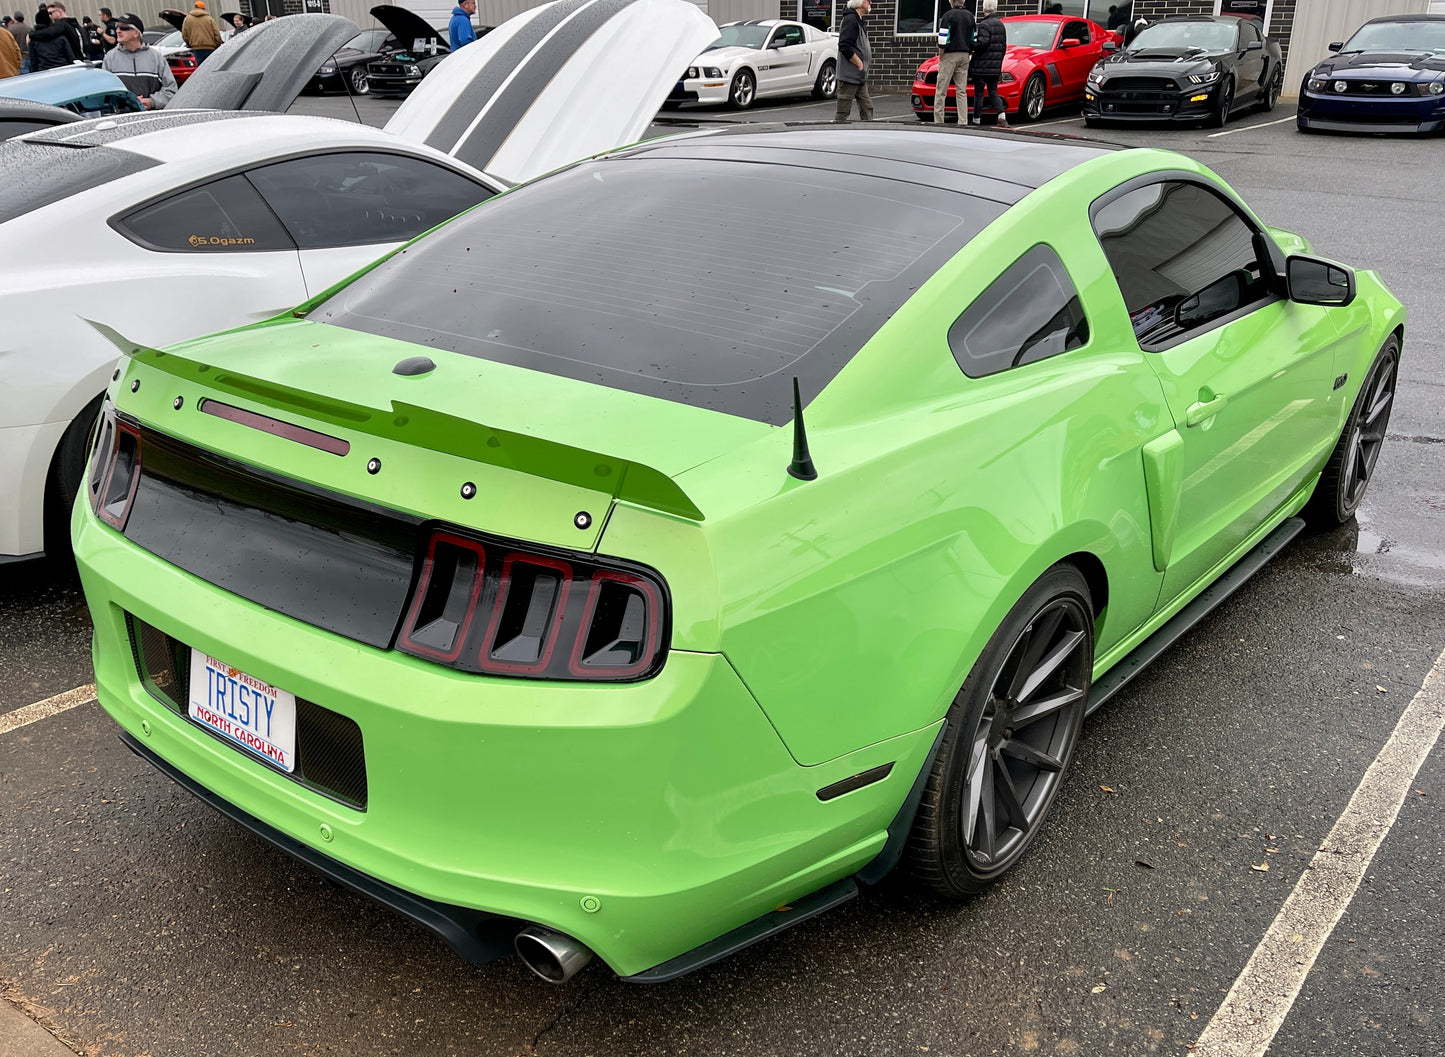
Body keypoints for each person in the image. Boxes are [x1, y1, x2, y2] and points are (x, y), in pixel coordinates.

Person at [103, 13, 175, 108]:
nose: (118, 30)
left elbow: (171, 89)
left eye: (123, 28)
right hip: (121, 117)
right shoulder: (110, 58)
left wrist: (151, 101)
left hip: (152, 117)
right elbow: (104, 91)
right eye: (117, 27)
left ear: (136, 33)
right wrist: (127, 102)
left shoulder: (156, 58)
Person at [934, 0, 972, 125]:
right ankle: (963, 121)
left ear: (951, 1)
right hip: (965, 54)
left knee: (941, 90)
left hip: (950, 55)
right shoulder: (970, 16)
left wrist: (941, 52)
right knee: (961, 91)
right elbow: (973, 38)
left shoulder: (948, 16)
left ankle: (938, 121)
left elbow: (943, 37)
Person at [834, 0, 872, 123]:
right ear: (860, 2)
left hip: (860, 76)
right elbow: (844, 46)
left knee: (867, 108)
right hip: (849, 76)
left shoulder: (859, 20)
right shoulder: (850, 19)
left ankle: (870, 133)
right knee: (843, 112)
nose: (871, 2)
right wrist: (858, 62)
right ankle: (838, 135)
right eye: (868, 0)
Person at [969, 0, 1006, 126]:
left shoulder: (984, 25)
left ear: (984, 9)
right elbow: (1003, 46)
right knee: (993, 93)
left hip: (981, 67)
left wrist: (971, 44)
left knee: (978, 94)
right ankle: (1001, 116)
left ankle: (976, 119)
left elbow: (982, 44)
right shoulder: (1001, 25)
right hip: (995, 67)